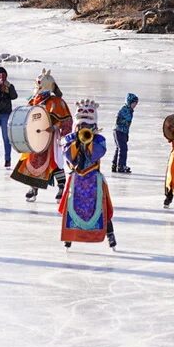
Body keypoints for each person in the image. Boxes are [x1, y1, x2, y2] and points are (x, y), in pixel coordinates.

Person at [58, 99, 116, 250]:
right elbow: (69, 156)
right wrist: (77, 142)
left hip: (93, 180)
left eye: (87, 125)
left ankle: (110, 236)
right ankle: (69, 238)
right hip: (76, 180)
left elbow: (95, 155)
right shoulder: (70, 138)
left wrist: (89, 141)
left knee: (102, 208)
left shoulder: (99, 139)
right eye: (81, 125)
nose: (84, 127)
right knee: (70, 209)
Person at [11, 69, 72, 202]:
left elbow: (66, 120)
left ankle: (61, 187)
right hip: (36, 139)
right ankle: (33, 188)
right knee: (33, 162)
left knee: (54, 162)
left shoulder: (56, 102)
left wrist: (55, 127)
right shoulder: (34, 100)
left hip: (50, 139)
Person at [112, 93, 137, 174]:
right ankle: (121, 166)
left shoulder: (129, 110)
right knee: (123, 149)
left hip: (121, 131)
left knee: (119, 148)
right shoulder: (125, 109)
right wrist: (123, 123)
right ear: (129, 102)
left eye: (136, 103)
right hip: (119, 131)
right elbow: (118, 119)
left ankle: (115, 164)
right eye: (134, 103)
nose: (135, 105)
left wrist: (126, 134)